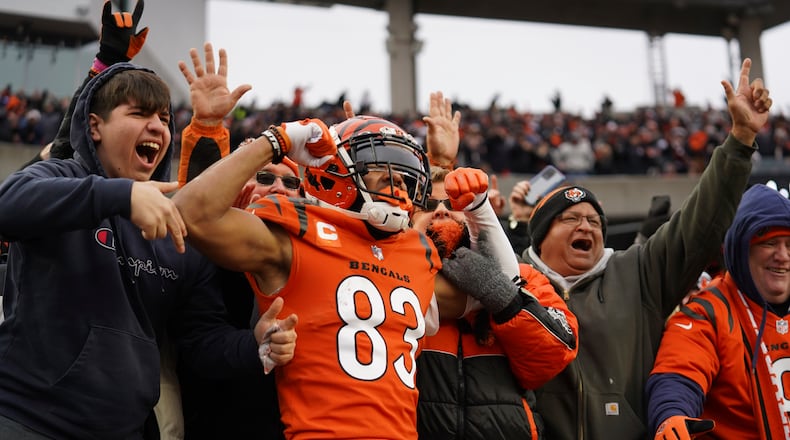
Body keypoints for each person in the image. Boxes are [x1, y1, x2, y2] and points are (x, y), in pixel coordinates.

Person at [427, 58, 772, 439]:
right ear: (540, 235)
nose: (586, 226)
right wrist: (442, 164)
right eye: (570, 219)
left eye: (593, 221)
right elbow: (436, 237)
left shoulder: (639, 271)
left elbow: (701, 221)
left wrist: (739, 141)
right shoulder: (515, 278)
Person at [174, 43, 482, 440]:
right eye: (384, 169)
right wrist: (277, 140)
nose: (399, 186)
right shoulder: (296, 232)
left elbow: (498, 292)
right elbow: (189, 214)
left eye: (406, 178)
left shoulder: (412, 251)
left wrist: (448, 174)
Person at [0, 57, 297, 439]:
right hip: (28, 421)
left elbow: (200, 341)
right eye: (139, 113)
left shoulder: (176, 221)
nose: (156, 126)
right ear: (95, 127)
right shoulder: (61, 176)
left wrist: (253, 344)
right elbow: (8, 205)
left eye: (163, 118)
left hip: (123, 430)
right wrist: (122, 195)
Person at [412, 164, 578, 439]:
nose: (440, 210)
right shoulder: (391, 281)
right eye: (428, 204)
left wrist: (504, 297)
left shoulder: (525, 276)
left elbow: (553, 357)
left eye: (452, 203)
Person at [647, 183, 790, 440]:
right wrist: (671, 415)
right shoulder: (708, 312)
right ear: (741, 248)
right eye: (770, 243)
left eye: (789, 245)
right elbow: (678, 375)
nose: (783, 256)